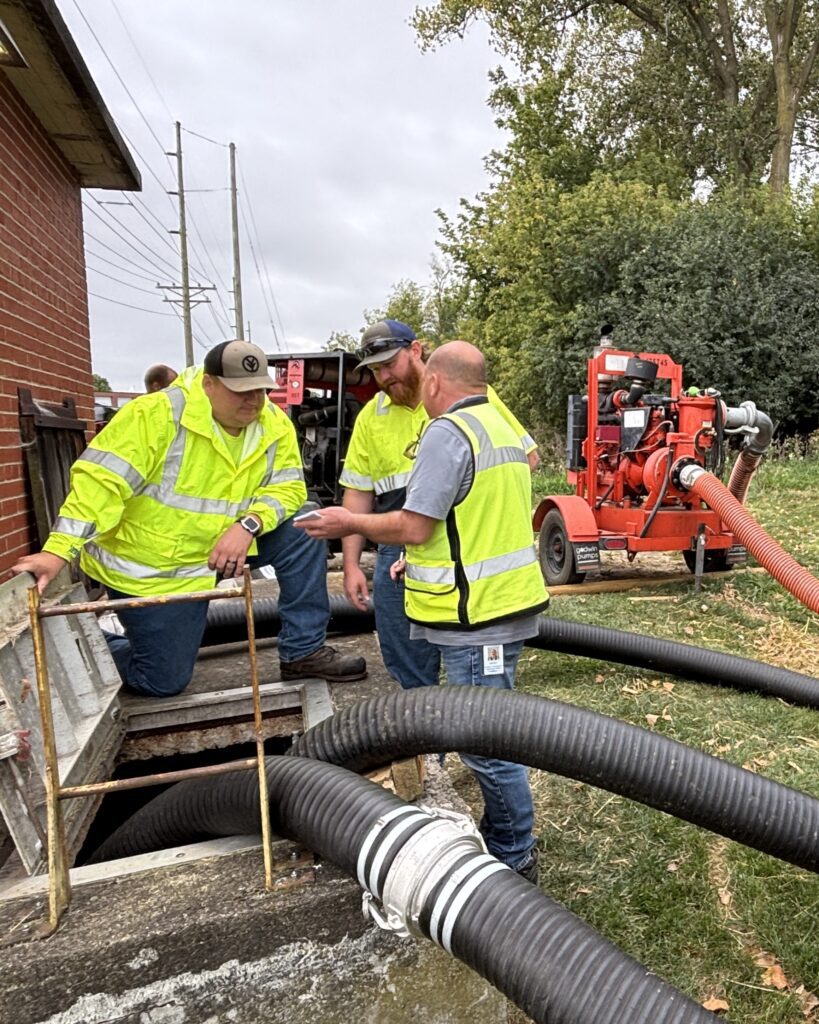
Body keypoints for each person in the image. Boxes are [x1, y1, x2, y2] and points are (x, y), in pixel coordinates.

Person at [298, 340, 549, 881]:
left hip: (476, 617)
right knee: (492, 729)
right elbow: (474, 512)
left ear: (433, 379)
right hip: (502, 604)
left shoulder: (447, 432)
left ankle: (515, 854)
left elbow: (415, 524)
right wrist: (423, 558)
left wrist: (349, 523)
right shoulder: (496, 423)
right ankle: (505, 836)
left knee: (484, 743)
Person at [13, 340, 366, 697]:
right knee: (162, 680)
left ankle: (303, 652)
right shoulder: (154, 416)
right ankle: (75, 645)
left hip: (217, 549)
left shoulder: (271, 422)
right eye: (240, 391)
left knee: (307, 525)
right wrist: (57, 552)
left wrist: (248, 524)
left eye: (260, 390)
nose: (253, 401)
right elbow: (100, 486)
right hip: (154, 570)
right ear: (208, 384)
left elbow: (288, 488)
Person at [339, 319, 539, 690]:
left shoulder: (464, 399)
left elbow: (523, 459)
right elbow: (358, 491)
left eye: (389, 364)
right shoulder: (372, 417)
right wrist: (351, 564)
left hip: (458, 540)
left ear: (416, 351)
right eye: (376, 370)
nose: (384, 376)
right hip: (402, 544)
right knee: (405, 650)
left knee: (478, 695)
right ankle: (424, 712)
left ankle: (456, 718)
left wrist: (474, 518)